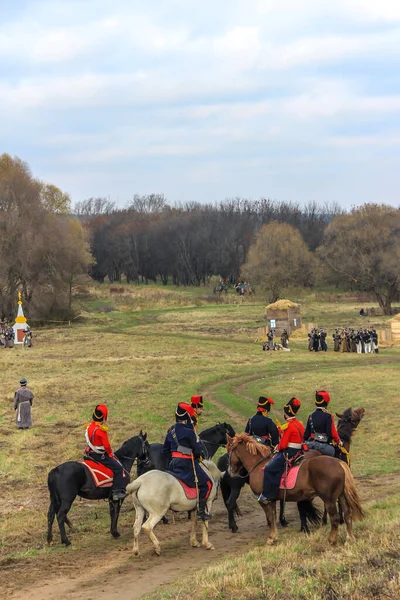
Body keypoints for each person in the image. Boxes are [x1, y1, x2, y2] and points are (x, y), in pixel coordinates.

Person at [162, 402, 212, 521]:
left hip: (174, 464)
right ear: (186, 419)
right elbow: (198, 452)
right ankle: (201, 511)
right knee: (208, 484)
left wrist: (175, 457)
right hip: (187, 464)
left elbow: (165, 451)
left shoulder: (171, 432)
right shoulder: (189, 432)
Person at [258, 397, 304, 504]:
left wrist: (277, 448)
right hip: (299, 452)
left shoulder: (289, 426)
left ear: (286, 413)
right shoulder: (299, 424)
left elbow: (283, 444)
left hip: (289, 453)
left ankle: (268, 495)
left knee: (269, 468)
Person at [84, 404, 127, 501]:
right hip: (99, 456)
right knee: (119, 468)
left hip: (90, 454)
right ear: (103, 417)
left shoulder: (88, 427)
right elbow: (107, 446)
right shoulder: (101, 430)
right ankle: (117, 492)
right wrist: (110, 453)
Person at [304, 391, 341, 457]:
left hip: (311, 445)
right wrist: (339, 442)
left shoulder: (311, 416)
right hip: (325, 447)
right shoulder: (328, 416)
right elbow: (333, 434)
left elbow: (306, 435)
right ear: (326, 403)